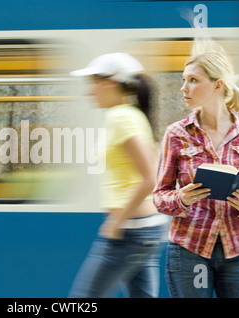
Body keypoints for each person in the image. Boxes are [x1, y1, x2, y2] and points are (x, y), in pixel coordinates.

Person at [153, 42, 239, 298]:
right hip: (189, 250)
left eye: (193, 80)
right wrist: (181, 198)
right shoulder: (176, 134)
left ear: (217, 85)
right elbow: (159, 195)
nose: (183, 88)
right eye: (184, 80)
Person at [68, 53, 168, 298]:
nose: (89, 92)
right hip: (145, 229)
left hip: (131, 231)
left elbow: (151, 177)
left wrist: (115, 221)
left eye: (93, 84)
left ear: (109, 83)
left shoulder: (121, 117)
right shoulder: (130, 115)